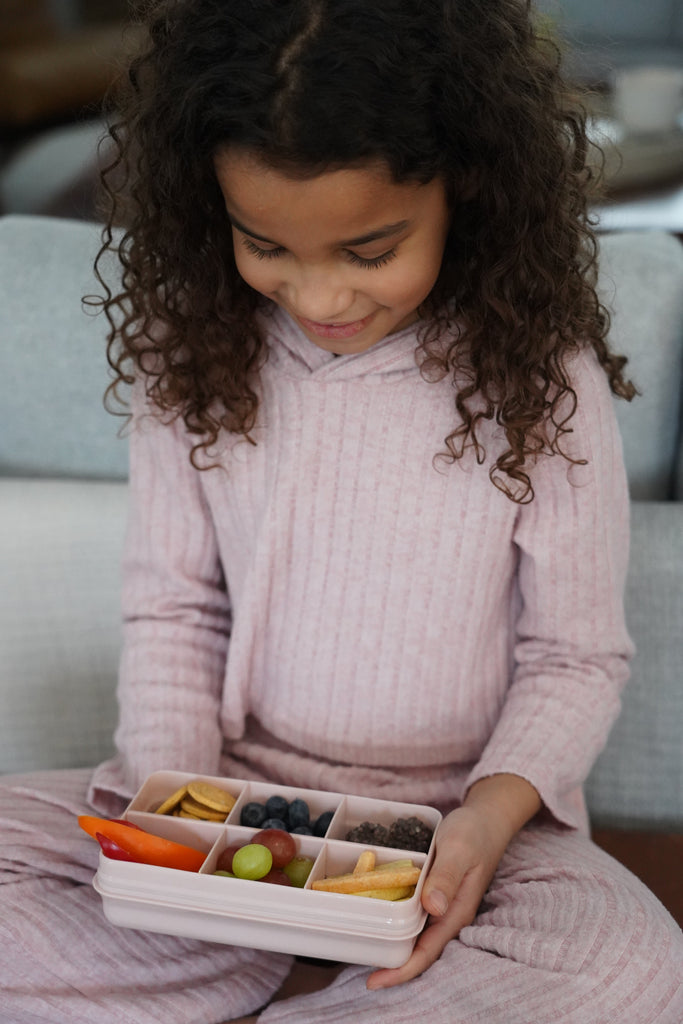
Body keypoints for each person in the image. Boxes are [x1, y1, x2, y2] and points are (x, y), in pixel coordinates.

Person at [1, 1, 682, 1021]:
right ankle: (236, 956)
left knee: (630, 975)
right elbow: (175, 610)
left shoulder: (541, 379)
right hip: (231, 784)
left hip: (458, 817)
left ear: (466, 191)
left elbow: (573, 656)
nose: (317, 297)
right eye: (263, 244)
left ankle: (258, 981)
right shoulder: (191, 350)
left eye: (368, 251)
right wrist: (188, 833)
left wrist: (489, 820)